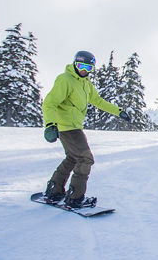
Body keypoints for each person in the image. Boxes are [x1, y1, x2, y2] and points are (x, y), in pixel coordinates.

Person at [42, 50, 130, 208]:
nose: (84, 70)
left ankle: (54, 190)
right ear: (75, 64)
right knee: (85, 158)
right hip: (67, 127)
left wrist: (118, 111)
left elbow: (98, 101)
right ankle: (75, 197)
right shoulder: (65, 80)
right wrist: (50, 125)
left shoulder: (86, 84)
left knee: (72, 158)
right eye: (81, 66)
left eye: (88, 68)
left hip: (74, 126)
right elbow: (50, 103)